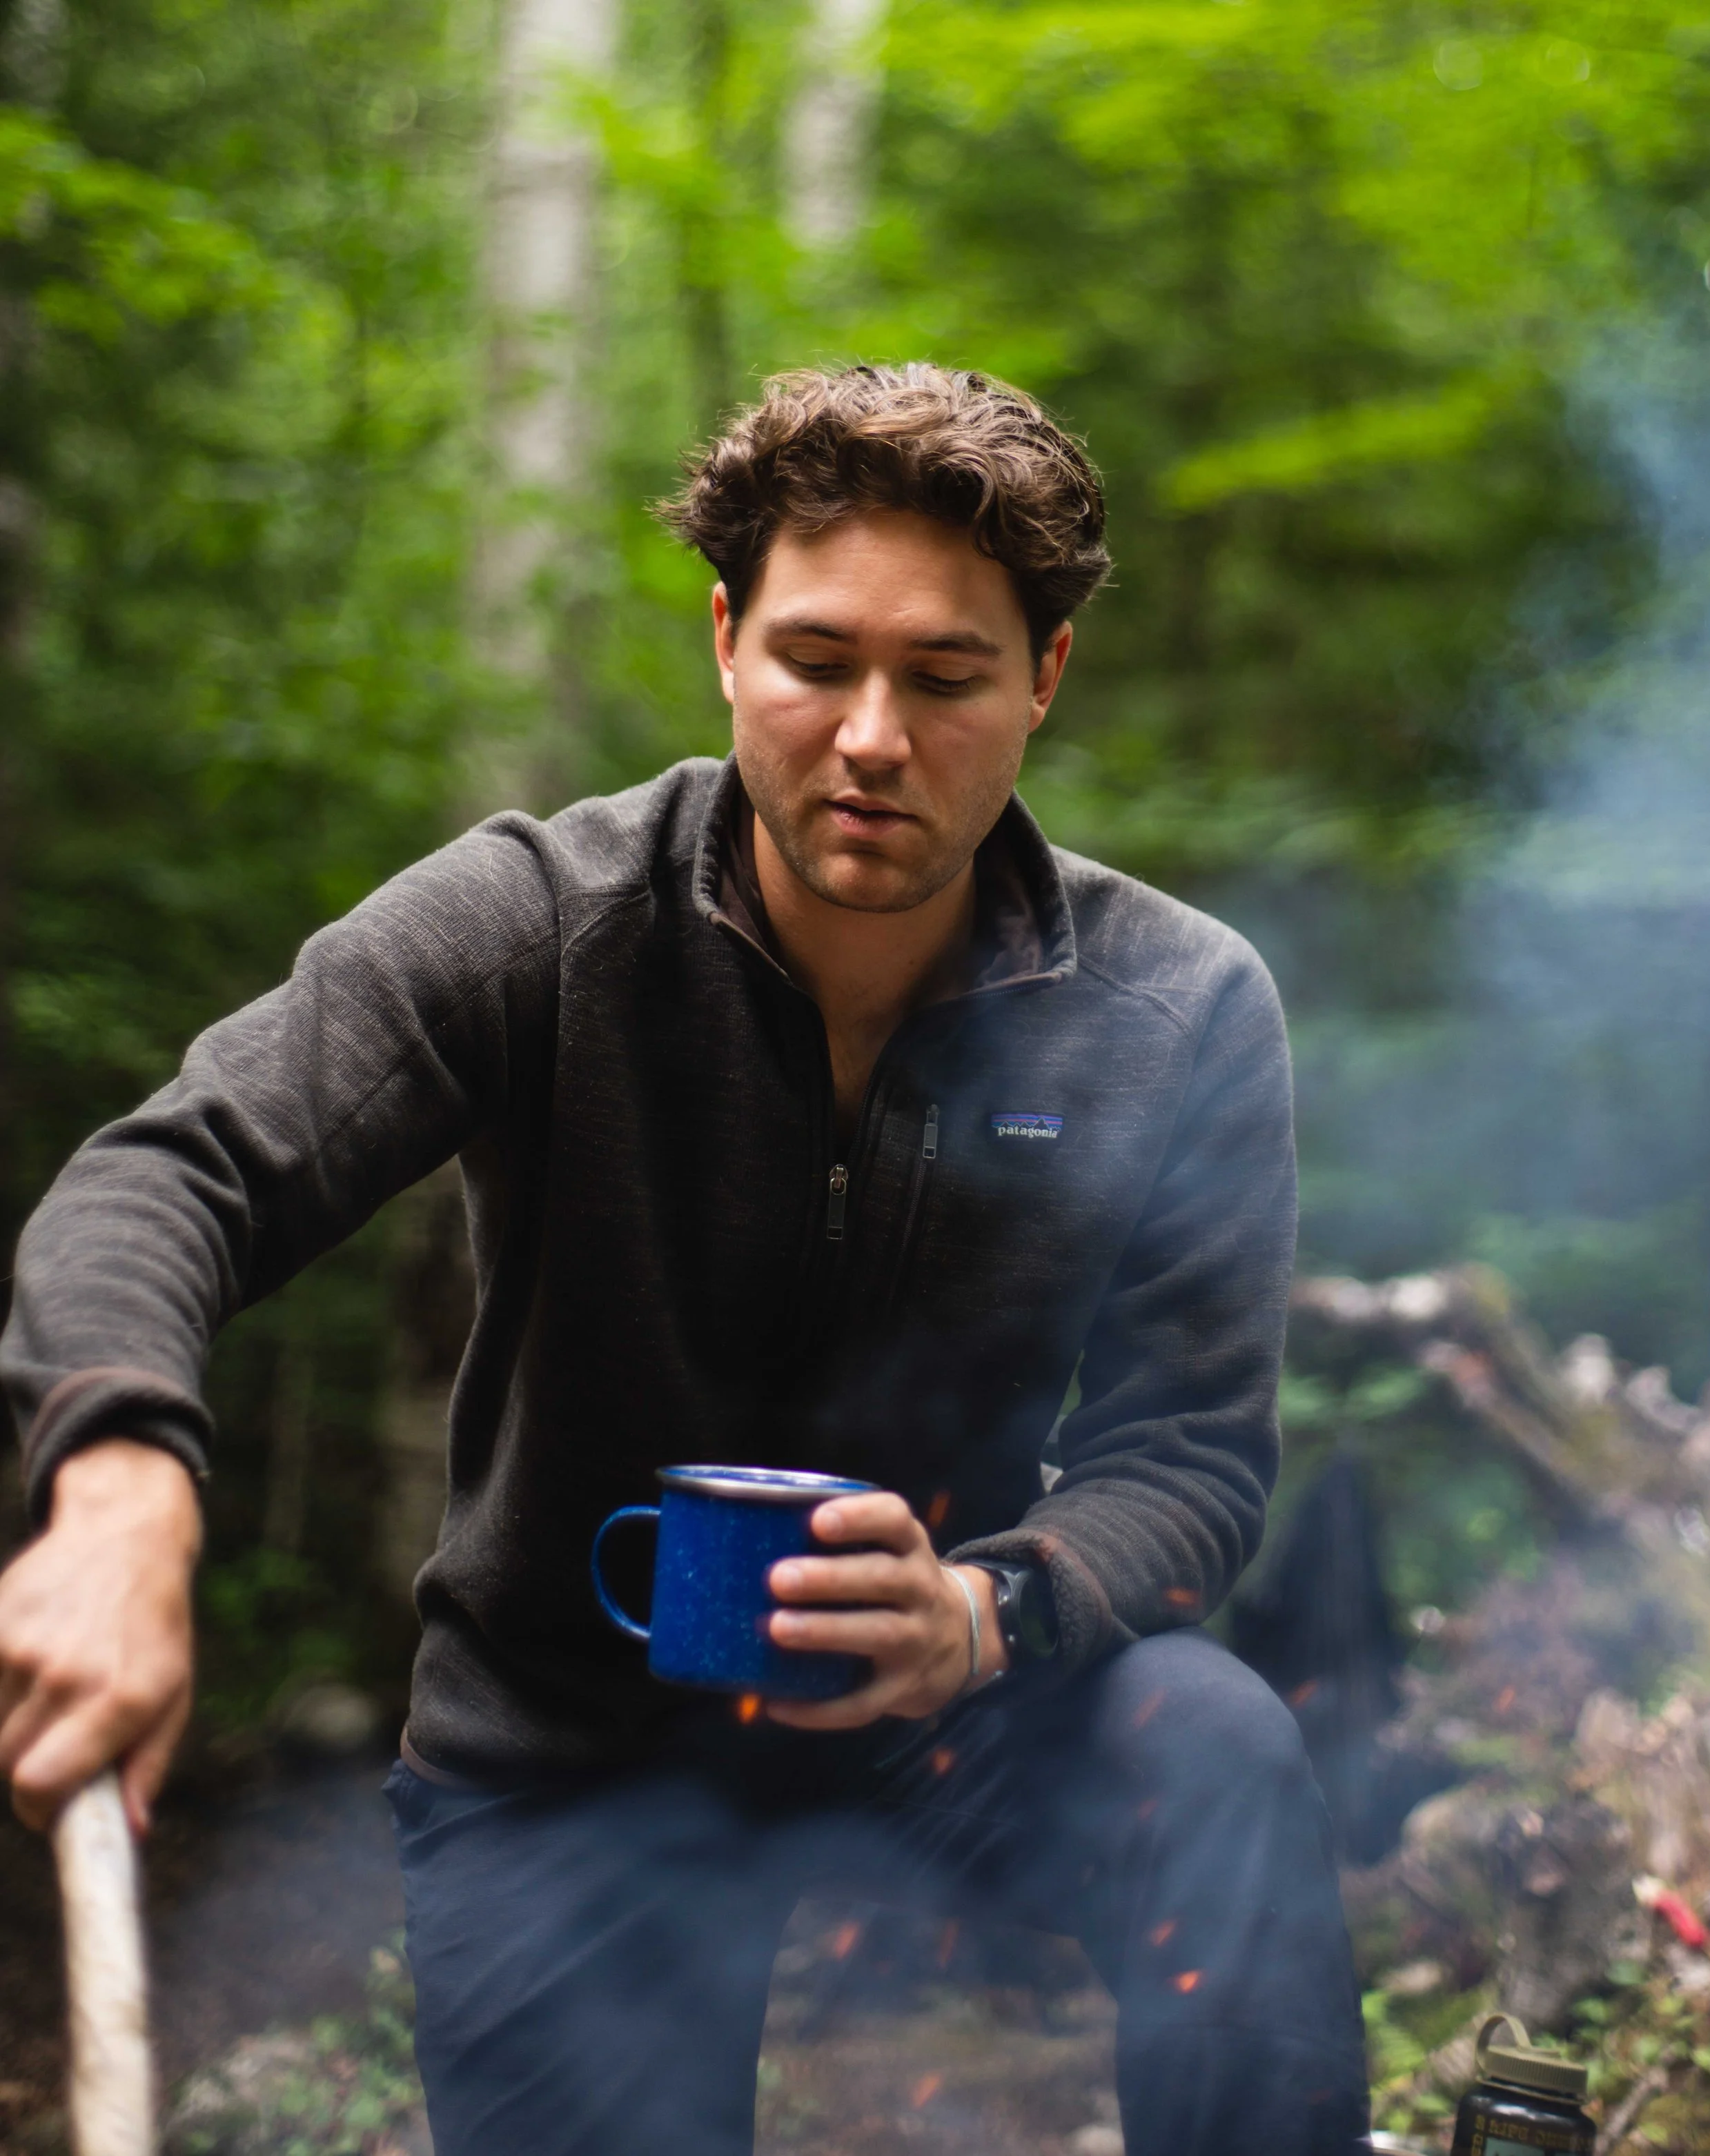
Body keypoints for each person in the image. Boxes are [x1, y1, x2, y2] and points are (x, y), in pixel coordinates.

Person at [0, 363, 1368, 2153]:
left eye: (945, 675)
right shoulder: (544, 925)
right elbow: (171, 1177)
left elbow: (1184, 1453)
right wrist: (118, 1501)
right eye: (815, 661)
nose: (871, 735)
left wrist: (986, 1605)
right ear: (726, 641)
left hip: (958, 1710)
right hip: (570, 1742)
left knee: (1206, 1738)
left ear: (1042, 676)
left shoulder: (1175, 1004)